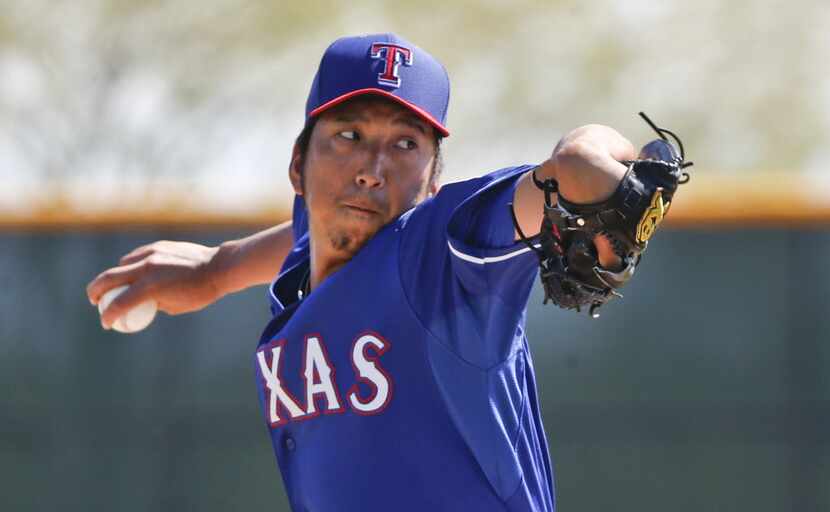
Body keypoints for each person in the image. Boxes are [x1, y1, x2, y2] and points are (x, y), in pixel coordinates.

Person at [87, 33, 634, 511]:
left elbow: (579, 170)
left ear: (434, 179)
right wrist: (215, 269)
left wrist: (591, 154)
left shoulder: (439, 251)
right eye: (349, 136)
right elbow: (304, 235)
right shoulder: (317, 247)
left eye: (405, 144)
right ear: (298, 166)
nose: (372, 171)